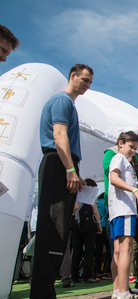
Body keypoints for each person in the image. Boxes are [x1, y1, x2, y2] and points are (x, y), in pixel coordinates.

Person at [30, 64, 93, 299]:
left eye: (90, 82)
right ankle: (42, 293)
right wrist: (69, 169)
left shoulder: (69, 104)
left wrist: (74, 171)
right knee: (53, 231)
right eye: (84, 79)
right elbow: (59, 135)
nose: (87, 85)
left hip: (63, 164)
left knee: (60, 230)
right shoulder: (62, 100)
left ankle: (45, 291)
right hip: (58, 163)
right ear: (72, 76)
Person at [103, 128, 138, 294]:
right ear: (120, 143)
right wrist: (135, 191)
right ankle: (123, 292)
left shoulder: (124, 159)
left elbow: (126, 182)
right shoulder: (118, 157)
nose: (134, 151)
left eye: (136, 148)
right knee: (125, 249)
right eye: (131, 147)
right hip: (124, 209)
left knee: (120, 250)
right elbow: (113, 178)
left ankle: (117, 291)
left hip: (121, 209)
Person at [71, 178, 102, 284]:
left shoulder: (76, 194)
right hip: (89, 226)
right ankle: (87, 276)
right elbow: (95, 211)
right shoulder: (91, 195)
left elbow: (74, 209)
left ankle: (74, 276)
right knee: (89, 251)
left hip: (77, 225)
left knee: (77, 252)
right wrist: (99, 225)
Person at [95, 193, 112, 280]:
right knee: (109, 249)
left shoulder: (97, 202)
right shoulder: (105, 203)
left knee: (98, 250)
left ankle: (98, 272)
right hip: (104, 226)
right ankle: (106, 271)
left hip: (97, 227)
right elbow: (108, 213)